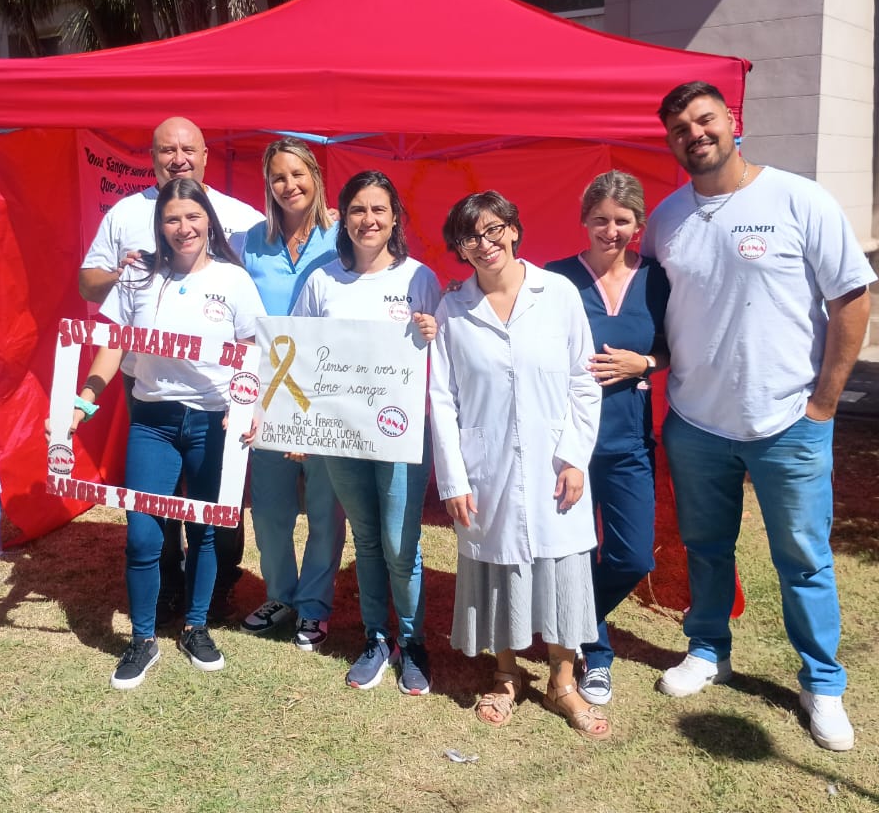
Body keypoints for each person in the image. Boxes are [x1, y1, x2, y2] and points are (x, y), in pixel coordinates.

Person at [643, 80, 875, 752]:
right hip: (697, 423)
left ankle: (822, 685)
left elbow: (852, 300)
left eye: (704, 119)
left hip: (788, 424)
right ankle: (708, 648)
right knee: (706, 548)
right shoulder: (666, 219)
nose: (695, 133)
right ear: (672, 142)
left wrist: (824, 403)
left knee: (803, 559)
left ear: (731, 121)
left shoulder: (799, 199)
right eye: (680, 128)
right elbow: (656, 314)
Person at [69, 178, 264, 689]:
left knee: (203, 529)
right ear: (160, 226)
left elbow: (252, 349)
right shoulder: (136, 278)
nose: (184, 228)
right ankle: (143, 639)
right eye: (173, 219)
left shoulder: (234, 280)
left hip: (211, 421)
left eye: (193, 218)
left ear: (209, 223)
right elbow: (112, 345)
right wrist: (82, 400)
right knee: (142, 534)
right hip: (152, 420)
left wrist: (249, 405)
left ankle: (197, 627)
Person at [429, 191, 609, 740]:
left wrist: (575, 457)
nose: (484, 245)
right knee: (499, 567)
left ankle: (561, 681)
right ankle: (506, 675)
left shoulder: (557, 294)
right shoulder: (453, 309)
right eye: (469, 238)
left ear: (513, 228)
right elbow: (442, 399)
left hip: (555, 462)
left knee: (559, 571)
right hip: (486, 466)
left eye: (493, 230)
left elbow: (585, 380)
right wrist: (454, 478)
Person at [291, 170, 440, 694]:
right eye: (357, 209)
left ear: (394, 217)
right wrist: (297, 426)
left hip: (401, 435)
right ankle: (379, 638)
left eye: (379, 210)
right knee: (369, 538)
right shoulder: (321, 281)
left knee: (402, 543)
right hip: (341, 437)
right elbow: (298, 355)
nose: (368, 220)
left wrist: (434, 333)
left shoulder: (419, 279)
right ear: (342, 217)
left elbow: (445, 364)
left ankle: (414, 641)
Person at [544, 171, 669, 707]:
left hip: (629, 441)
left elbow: (677, 347)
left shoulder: (658, 279)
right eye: (600, 219)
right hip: (567, 444)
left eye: (621, 221)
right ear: (584, 221)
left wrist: (643, 362)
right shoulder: (555, 279)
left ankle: (573, 620)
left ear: (639, 225)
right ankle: (595, 653)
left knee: (633, 556)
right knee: (569, 553)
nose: (610, 230)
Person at [233, 138, 346, 652]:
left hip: (327, 392)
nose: (289, 185)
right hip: (269, 392)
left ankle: (315, 607)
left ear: (316, 176)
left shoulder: (345, 234)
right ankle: (280, 594)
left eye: (298, 174)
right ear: (268, 185)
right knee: (272, 508)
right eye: (278, 177)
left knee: (325, 506)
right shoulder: (249, 242)